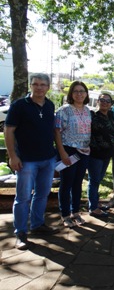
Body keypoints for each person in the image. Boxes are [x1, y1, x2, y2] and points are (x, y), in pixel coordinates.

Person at [5, 73, 59, 250]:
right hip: (26, 161)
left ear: (48, 87)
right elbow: (8, 130)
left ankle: (37, 224)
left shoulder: (50, 105)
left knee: (42, 194)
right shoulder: (19, 105)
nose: (39, 88)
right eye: (35, 84)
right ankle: (20, 232)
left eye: (43, 85)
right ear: (30, 86)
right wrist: (13, 156)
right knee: (23, 198)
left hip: (48, 159)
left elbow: (52, 130)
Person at [55, 81, 91, 228]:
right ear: (71, 93)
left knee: (78, 183)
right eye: (76, 91)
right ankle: (65, 214)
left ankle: (75, 212)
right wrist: (62, 152)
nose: (79, 94)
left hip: (84, 152)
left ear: (86, 93)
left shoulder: (88, 110)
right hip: (68, 150)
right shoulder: (64, 110)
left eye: (82, 91)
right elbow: (56, 131)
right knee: (66, 183)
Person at [87, 93, 114, 218]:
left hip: (107, 154)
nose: (104, 102)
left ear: (111, 103)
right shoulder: (92, 116)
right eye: (102, 100)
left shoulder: (110, 115)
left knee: (98, 180)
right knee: (94, 180)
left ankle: (95, 203)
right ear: (97, 101)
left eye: (107, 101)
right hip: (95, 154)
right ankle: (93, 208)